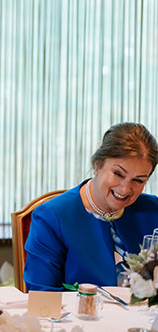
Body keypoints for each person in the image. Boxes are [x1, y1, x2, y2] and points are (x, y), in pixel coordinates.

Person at [23, 122, 158, 291]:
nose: (125, 189)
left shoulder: (153, 211)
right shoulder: (52, 217)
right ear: (98, 164)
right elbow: (41, 297)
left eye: (138, 180)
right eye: (118, 174)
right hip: (82, 317)